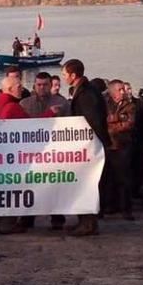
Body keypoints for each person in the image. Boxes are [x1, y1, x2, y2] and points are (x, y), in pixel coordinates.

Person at [61, 59, 111, 236]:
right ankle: (84, 221)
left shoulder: (86, 94)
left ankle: (88, 223)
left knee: (86, 184)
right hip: (88, 145)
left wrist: (90, 145)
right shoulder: (86, 90)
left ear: (73, 75)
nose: (63, 77)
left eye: (65, 74)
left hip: (90, 146)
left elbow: (93, 121)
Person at [18, 72, 67, 230]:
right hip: (32, 151)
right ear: (34, 86)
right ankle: (27, 218)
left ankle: (57, 218)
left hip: (55, 150)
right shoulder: (25, 103)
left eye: (45, 84)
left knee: (54, 183)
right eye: (39, 84)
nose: (42, 87)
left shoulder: (62, 102)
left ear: (50, 85)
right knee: (30, 184)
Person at [0, 77, 29, 234]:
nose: (22, 89)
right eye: (19, 86)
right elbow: (32, 125)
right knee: (12, 188)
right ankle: (8, 223)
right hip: (11, 154)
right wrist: (50, 113)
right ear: (10, 89)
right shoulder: (13, 106)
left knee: (0, 188)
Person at [103, 79, 136, 220]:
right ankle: (109, 205)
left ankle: (125, 208)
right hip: (108, 146)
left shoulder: (130, 106)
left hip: (122, 146)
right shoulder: (105, 104)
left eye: (124, 89)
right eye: (120, 89)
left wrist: (110, 127)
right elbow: (102, 120)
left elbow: (129, 123)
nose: (123, 92)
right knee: (108, 178)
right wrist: (116, 119)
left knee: (124, 178)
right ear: (112, 92)